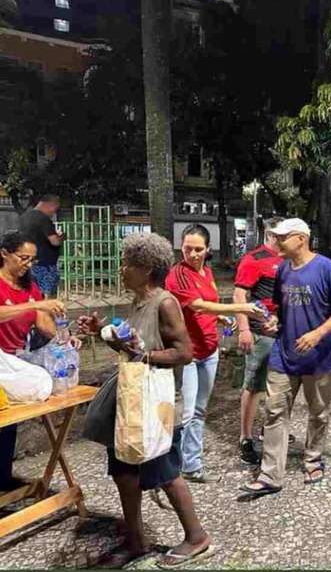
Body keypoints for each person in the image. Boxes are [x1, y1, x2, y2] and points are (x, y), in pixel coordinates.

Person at [77, 232, 211, 569]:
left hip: (156, 403)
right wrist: (102, 331)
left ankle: (197, 537)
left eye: (128, 264)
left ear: (147, 268)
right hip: (130, 399)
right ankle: (136, 540)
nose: (122, 270)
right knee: (123, 471)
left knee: (165, 472)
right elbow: (132, 348)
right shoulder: (136, 302)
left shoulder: (165, 302)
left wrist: (145, 355)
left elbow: (184, 352)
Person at [239, 219, 331, 499]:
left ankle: (313, 460)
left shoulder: (326, 268)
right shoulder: (284, 270)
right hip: (284, 355)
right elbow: (279, 307)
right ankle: (270, 475)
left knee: (319, 412)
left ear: (301, 238)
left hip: (319, 358)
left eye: (283, 237)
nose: (276, 241)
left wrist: (319, 333)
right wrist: (274, 322)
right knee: (275, 411)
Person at [165, 224, 264, 482]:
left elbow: (207, 304)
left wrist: (220, 316)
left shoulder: (206, 271)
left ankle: (190, 465)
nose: (193, 254)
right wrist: (239, 309)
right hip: (187, 352)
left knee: (199, 409)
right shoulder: (178, 274)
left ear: (208, 249)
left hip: (209, 349)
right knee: (187, 413)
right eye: (188, 248)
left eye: (199, 249)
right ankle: (181, 466)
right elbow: (196, 306)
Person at [0, 231, 74, 492]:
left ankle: (3, 479)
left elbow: (42, 321)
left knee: (9, 426)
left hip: (15, 359)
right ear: (4, 253)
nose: (28, 265)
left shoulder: (29, 286)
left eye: (32, 260)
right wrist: (34, 306)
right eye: (23, 258)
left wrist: (64, 339)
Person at [233, 217, 285, 466]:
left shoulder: (289, 259)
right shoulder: (254, 259)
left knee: (277, 385)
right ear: (272, 234)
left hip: (283, 332)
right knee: (253, 385)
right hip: (260, 331)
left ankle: (268, 429)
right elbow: (239, 294)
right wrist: (243, 328)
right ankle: (245, 438)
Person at [17, 195, 65, 297]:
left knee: (30, 293)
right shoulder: (43, 219)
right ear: (50, 205)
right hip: (44, 264)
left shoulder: (23, 217)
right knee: (46, 297)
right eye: (54, 209)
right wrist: (62, 237)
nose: (53, 213)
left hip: (27, 262)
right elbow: (54, 241)